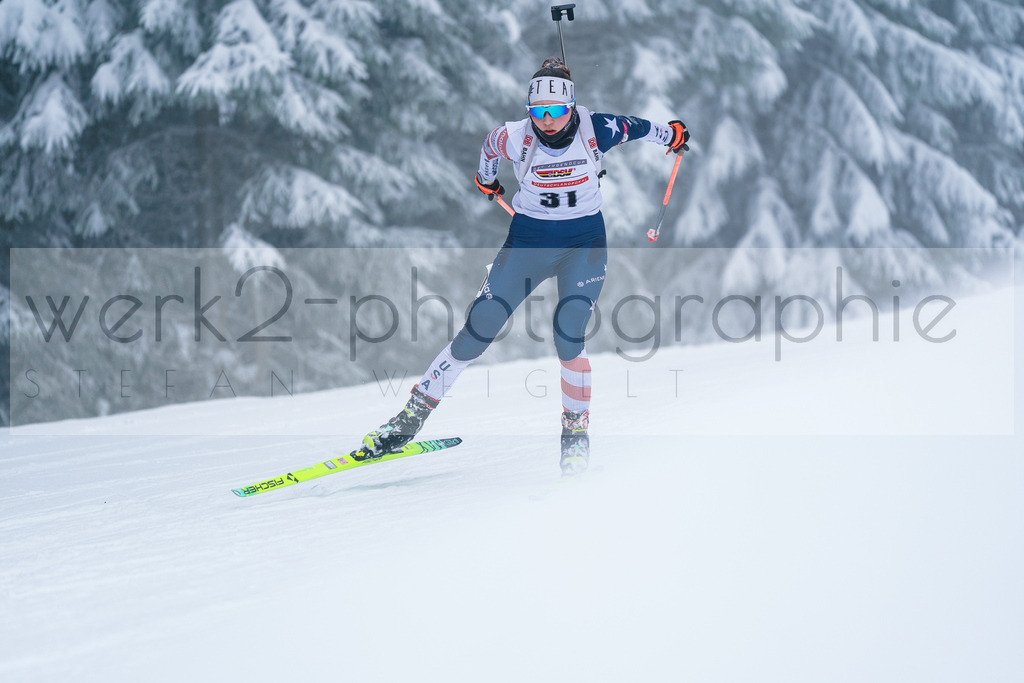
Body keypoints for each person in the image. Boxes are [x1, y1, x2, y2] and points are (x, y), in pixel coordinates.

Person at [359, 57, 689, 475]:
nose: (547, 121)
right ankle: (409, 419)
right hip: (528, 243)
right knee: (479, 328)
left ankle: (575, 437)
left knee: (568, 333)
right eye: (538, 112)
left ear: (571, 108)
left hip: (583, 245)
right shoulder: (513, 137)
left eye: (556, 112)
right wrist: (487, 180)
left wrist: (672, 135)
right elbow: (487, 149)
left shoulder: (597, 129)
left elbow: (642, 128)